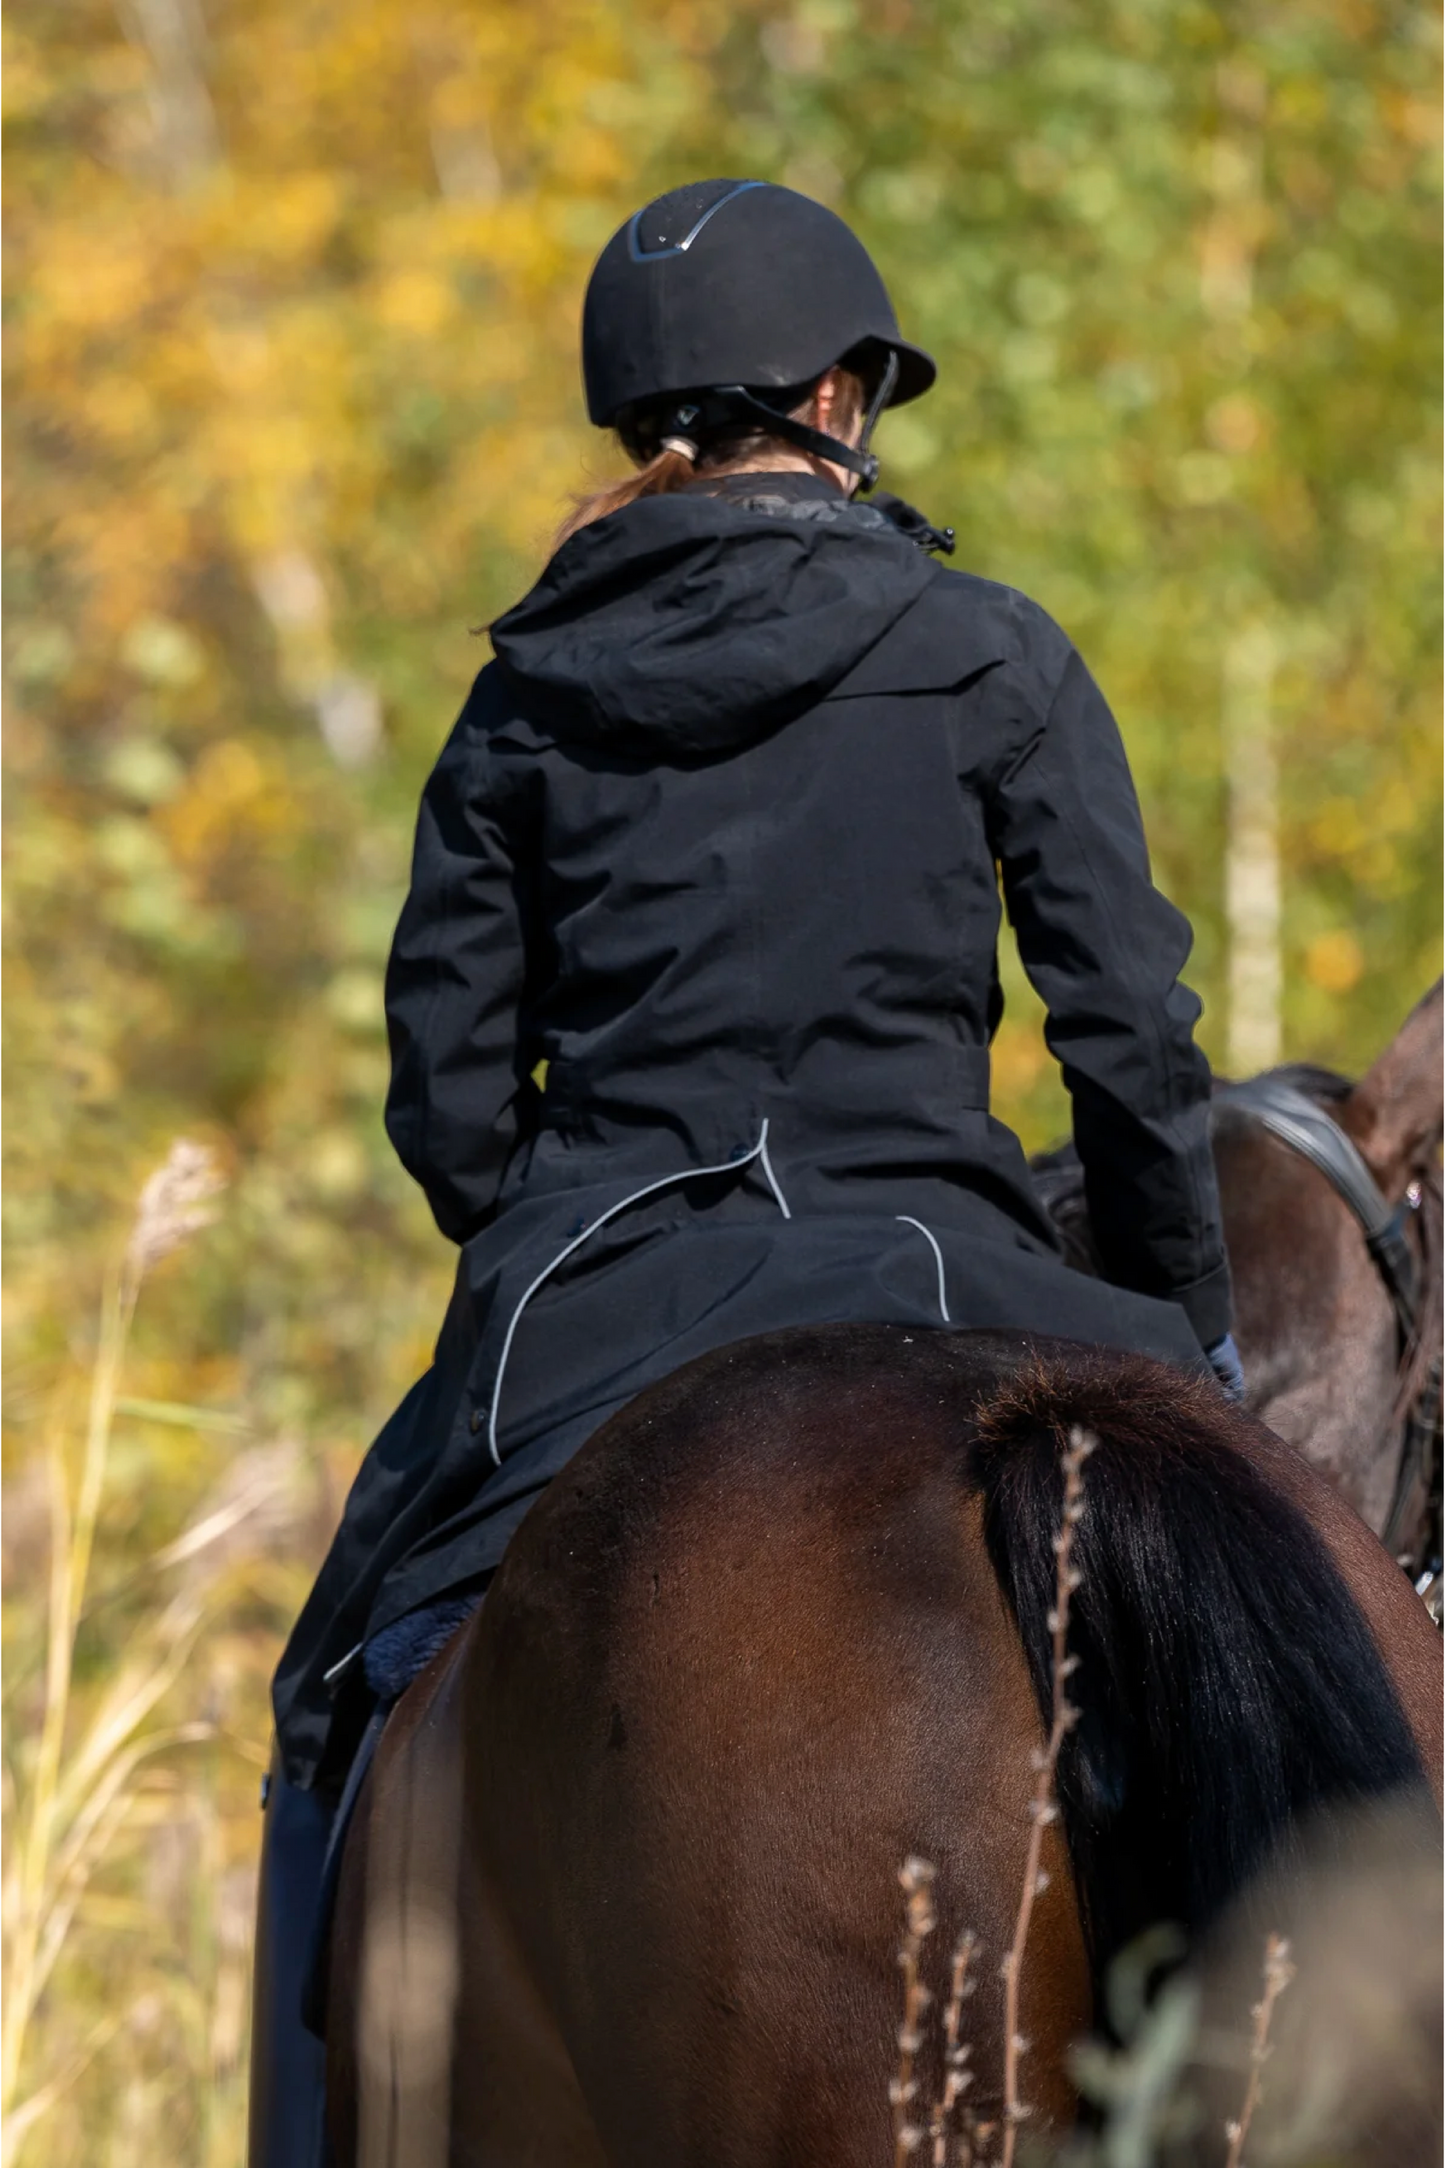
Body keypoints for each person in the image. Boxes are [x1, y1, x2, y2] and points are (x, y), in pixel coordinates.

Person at [248, 176, 1240, 2164]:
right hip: (953, 1265)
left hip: (599, 1291)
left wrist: (549, 1226)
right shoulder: (986, 650)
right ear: (835, 389)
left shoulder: (520, 695)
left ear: (648, 417)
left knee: (337, 1694)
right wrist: (1176, 1337)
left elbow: (445, 1098)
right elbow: (1124, 1033)